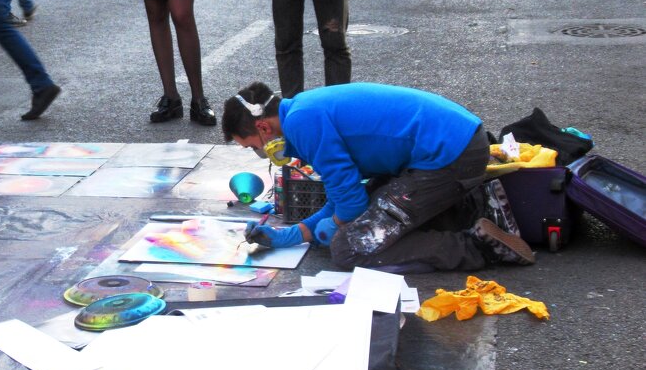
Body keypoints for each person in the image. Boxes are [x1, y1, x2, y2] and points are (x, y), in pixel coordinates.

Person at [221, 82, 536, 272]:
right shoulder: (303, 109)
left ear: (263, 128)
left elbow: (350, 206)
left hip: (451, 157)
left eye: (254, 148)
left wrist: (339, 225)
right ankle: (481, 207)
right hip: (457, 146)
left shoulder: (302, 123)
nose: (261, 154)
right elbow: (342, 196)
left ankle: (475, 247)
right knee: (375, 215)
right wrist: (290, 236)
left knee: (349, 247)